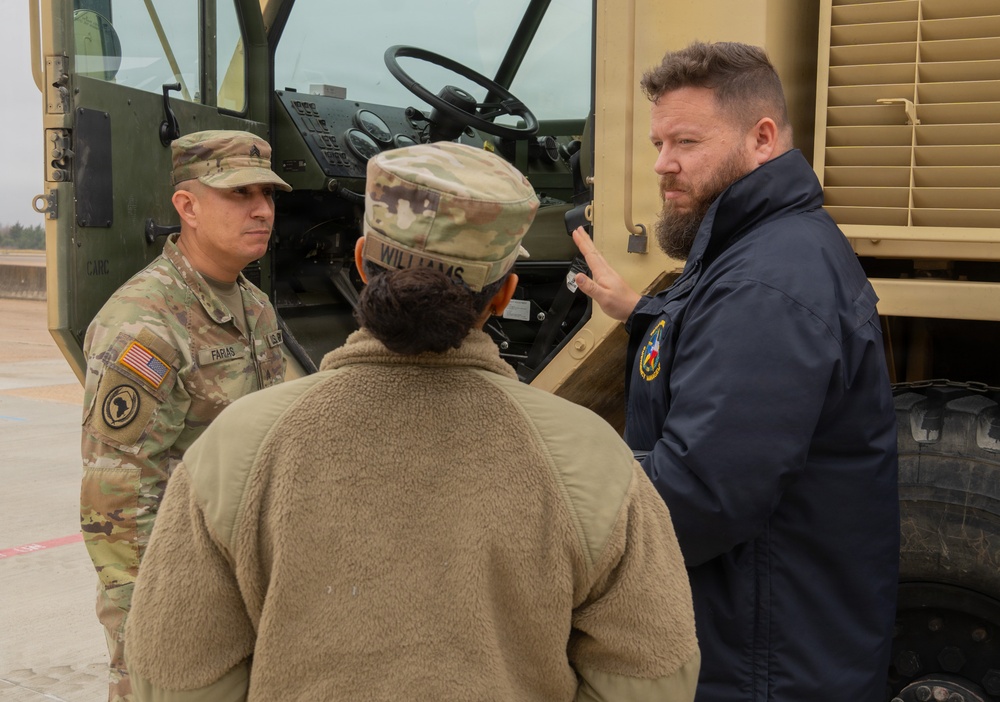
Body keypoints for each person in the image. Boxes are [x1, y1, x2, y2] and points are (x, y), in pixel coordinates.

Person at [123, 141, 701, 701]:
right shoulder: (594, 458)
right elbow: (651, 676)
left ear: (360, 263)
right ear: (504, 294)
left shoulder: (235, 449)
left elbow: (175, 674)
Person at [571, 41, 899, 701]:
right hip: (770, 641)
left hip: (760, 666)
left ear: (763, 138)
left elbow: (700, 497)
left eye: (686, 142)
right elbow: (731, 352)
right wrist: (642, 313)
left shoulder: (767, 284)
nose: (663, 164)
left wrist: (551, 520)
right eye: (659, 142)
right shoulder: (759, 248)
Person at [80, 130, 290, 702]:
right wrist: (146, 619)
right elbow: (116, 493)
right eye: (239, 194)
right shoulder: (143, 324)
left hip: (239, 571)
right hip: (171, 584)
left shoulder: (254, 307)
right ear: (187, 206)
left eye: (268, 195)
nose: (262, 210)